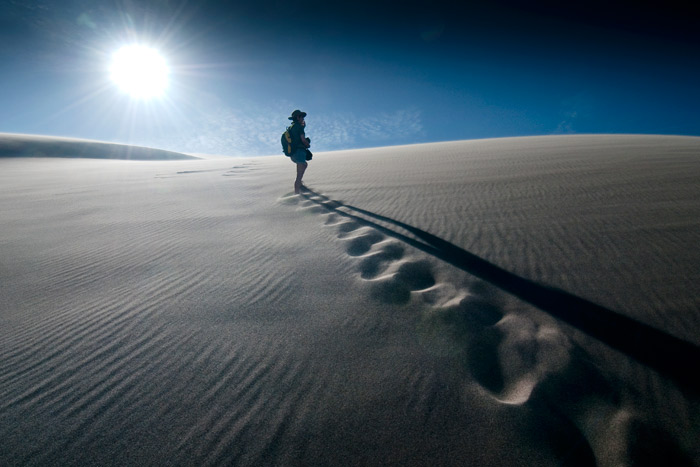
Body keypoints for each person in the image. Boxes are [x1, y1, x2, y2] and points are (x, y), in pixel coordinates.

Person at [286, 109, 311, 194]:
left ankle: (300, 186)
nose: (303, 118)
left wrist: (302, 127)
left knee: (304, 165)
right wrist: (307, 144)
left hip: (293, 154)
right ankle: (297, 194)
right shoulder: (299, 127)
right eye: (302, 117)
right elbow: (303, 140)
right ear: (298, 117)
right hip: (299, 152)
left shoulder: (292, 127)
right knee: (299, 176)